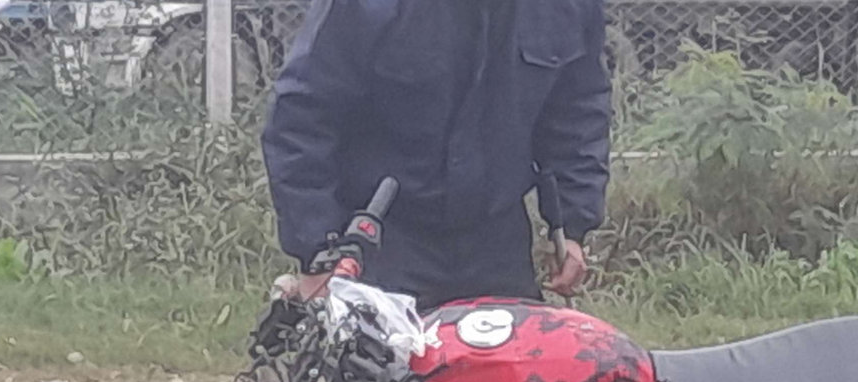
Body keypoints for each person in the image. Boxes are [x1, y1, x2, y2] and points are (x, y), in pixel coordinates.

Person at [261, 0, 612, 311]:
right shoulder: (364, 7)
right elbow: (301, 118)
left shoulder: (567, 7)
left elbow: (577, 113)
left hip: (495, 243)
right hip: (381, 240)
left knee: (513, 376)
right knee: (370, 380)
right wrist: (320, 253)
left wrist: (571, 226)